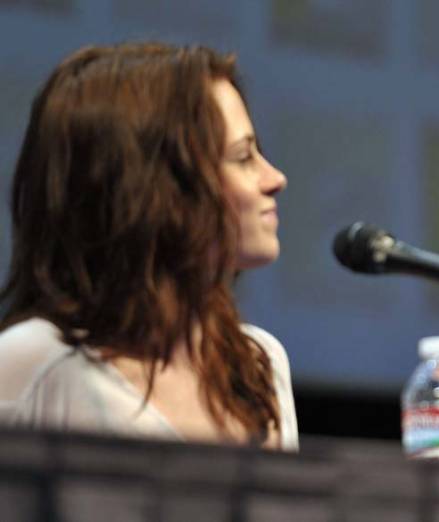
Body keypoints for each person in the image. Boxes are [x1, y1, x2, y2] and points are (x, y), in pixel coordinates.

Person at [0, 42, 298, 450]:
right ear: (157, 188)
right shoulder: (31, 362)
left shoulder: (259, 363)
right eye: (243, 157)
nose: (275, 178)